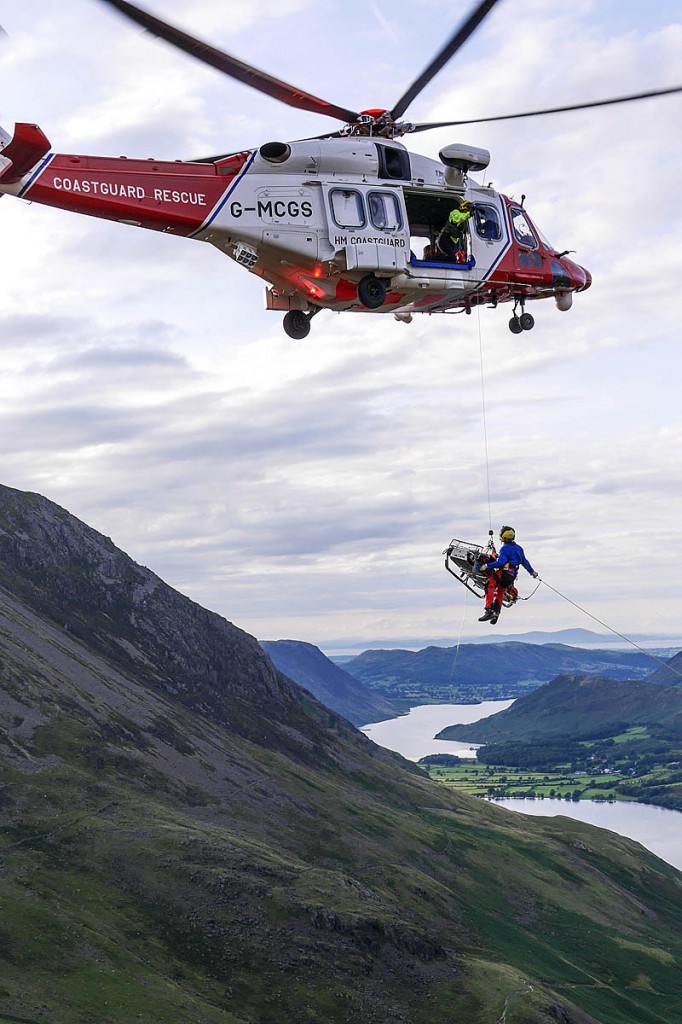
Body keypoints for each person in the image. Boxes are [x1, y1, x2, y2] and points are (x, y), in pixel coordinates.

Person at [478, 526, 538, 625]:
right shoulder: (519, 548)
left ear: (504, 536)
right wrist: (532, 572)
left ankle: (489, 610)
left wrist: (487, 565)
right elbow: (525, 562)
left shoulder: (505, 548)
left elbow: (501, 562)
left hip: (504, 573)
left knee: (489, 585)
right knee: (500, 591)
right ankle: (496, 613)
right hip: (511, 576)